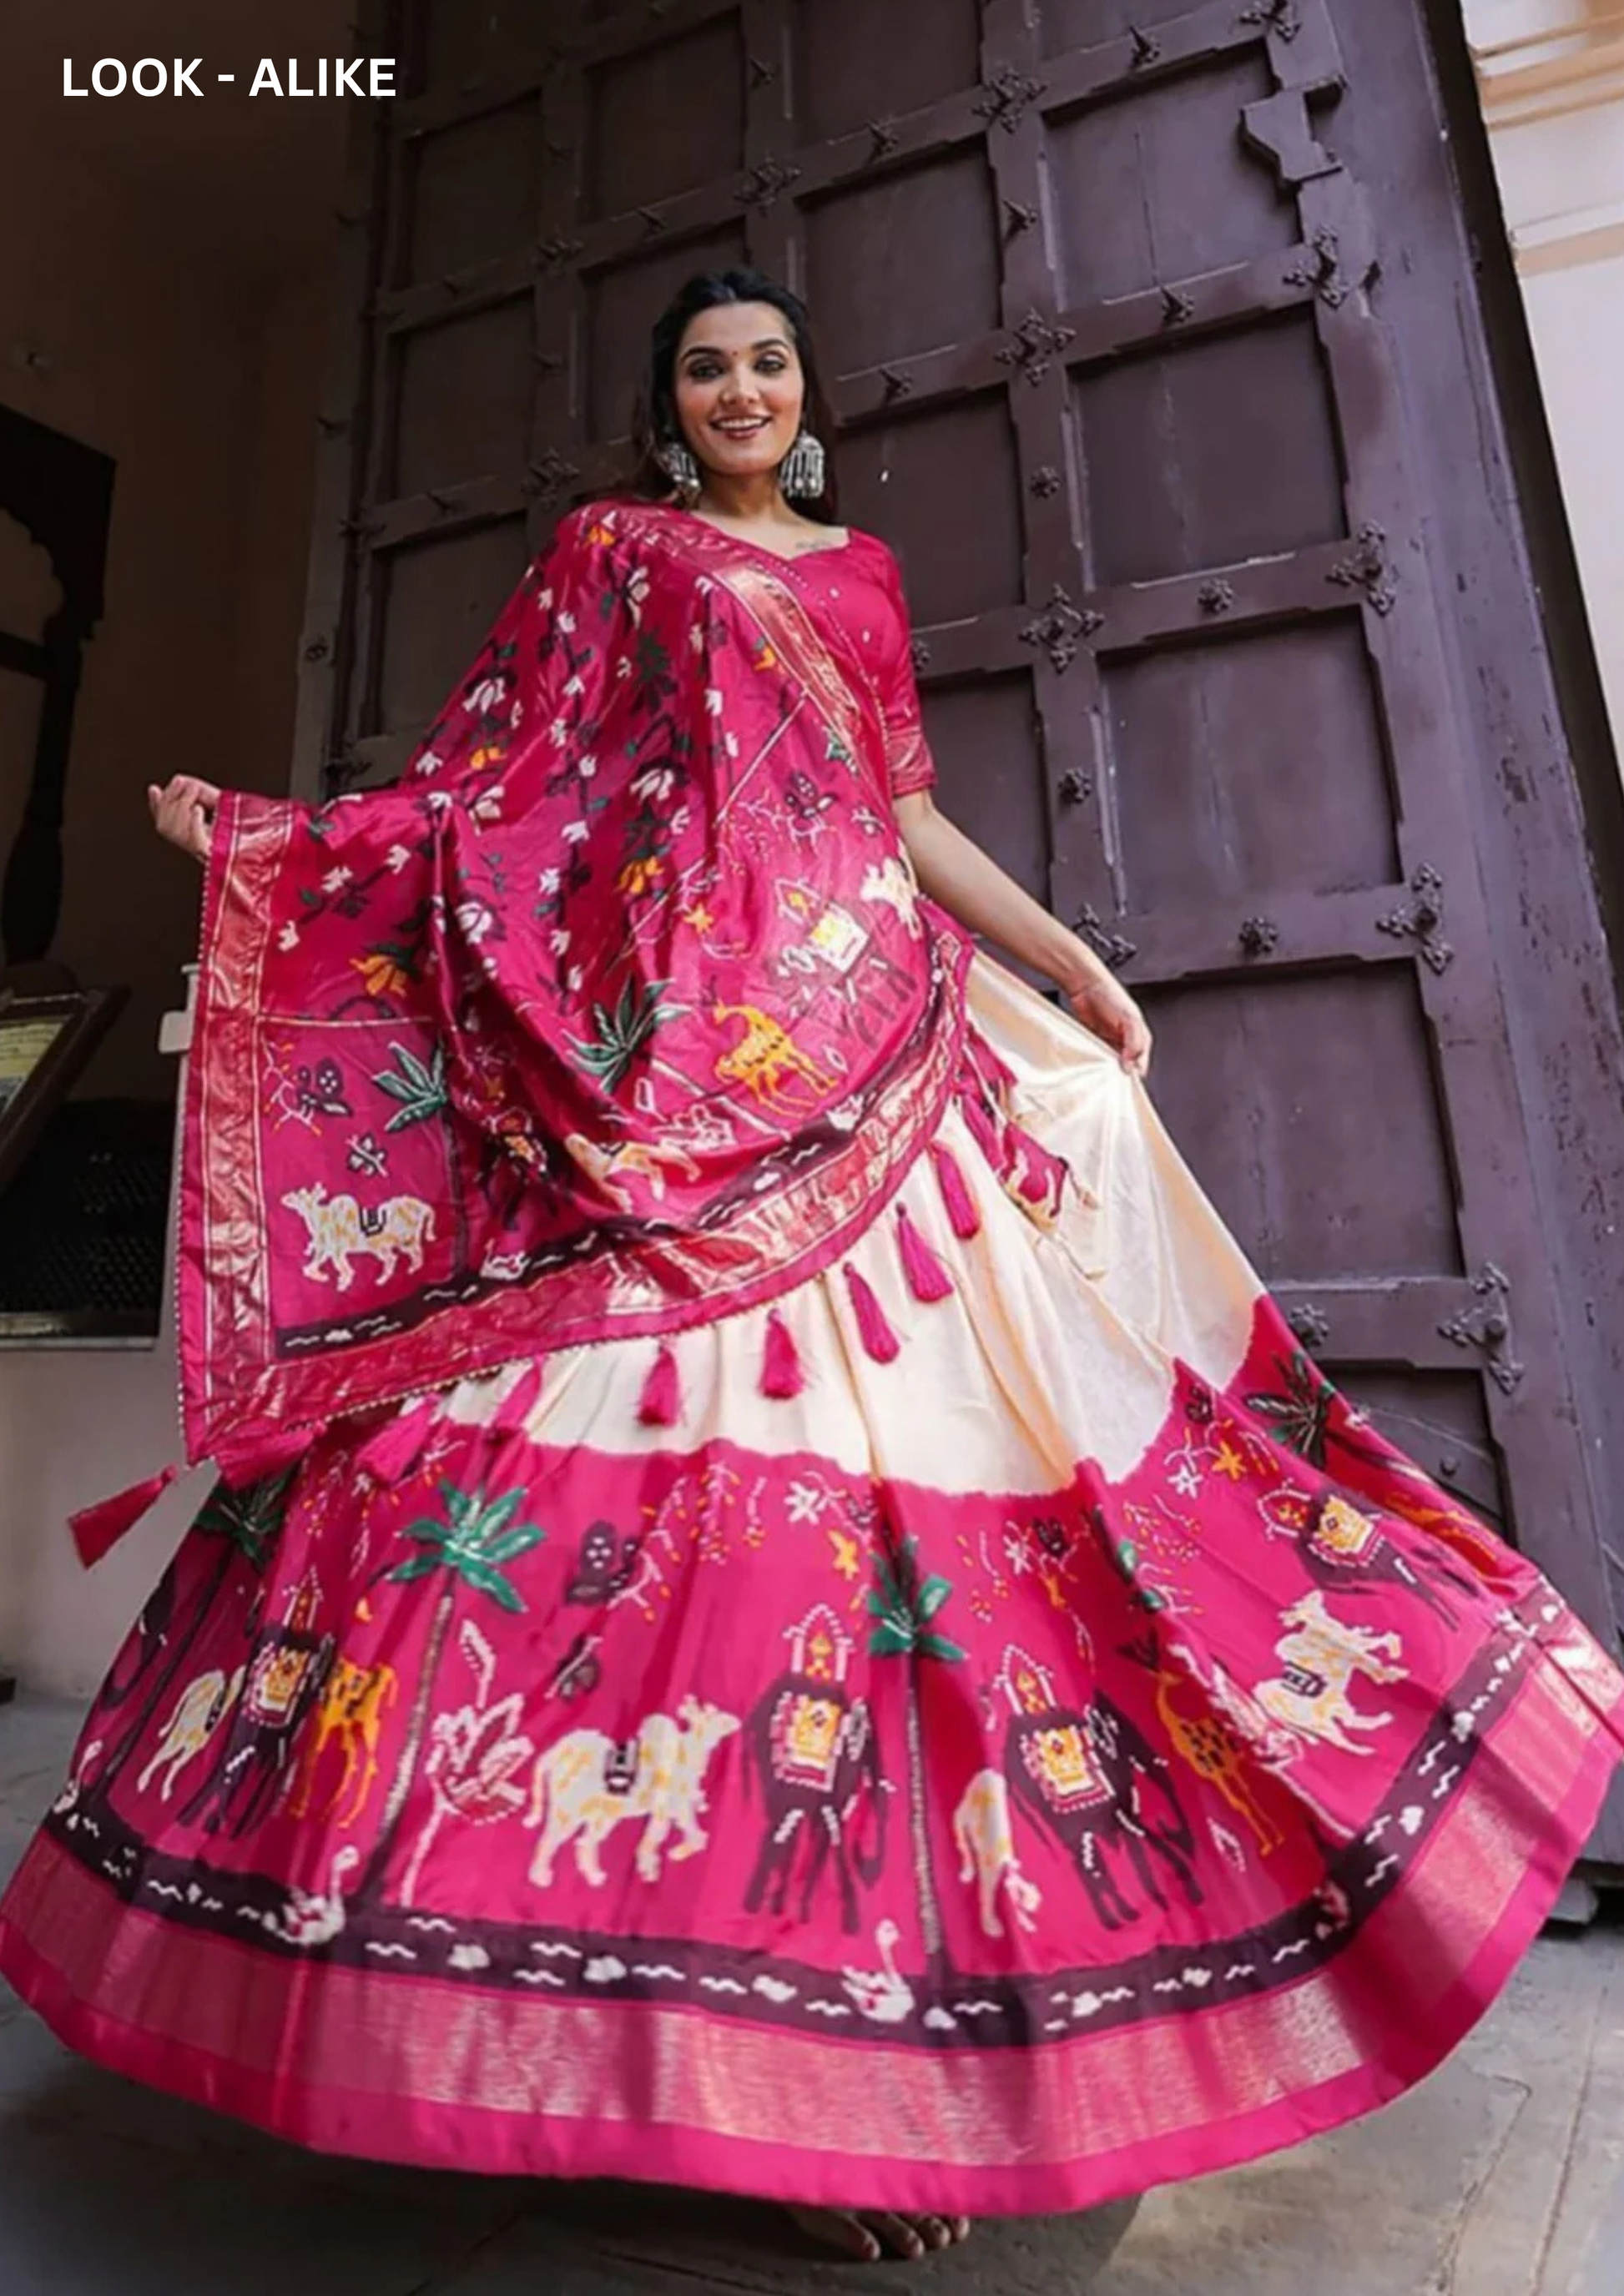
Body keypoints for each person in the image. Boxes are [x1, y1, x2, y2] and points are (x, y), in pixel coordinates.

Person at [3, 266, 1621, 2268]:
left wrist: (1064, 954)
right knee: (595, 1521)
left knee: (936, 1490)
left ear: (807, 389)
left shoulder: (856, 571)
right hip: (664, 1054)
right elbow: (490, 790)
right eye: (704, 365)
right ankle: (670, 2069)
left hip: (875, 1033)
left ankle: (875, 2083)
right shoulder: (619, 554)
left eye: (768, 359)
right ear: (667, 406)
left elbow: (899, 808)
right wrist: (273, 846)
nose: (741, 386)